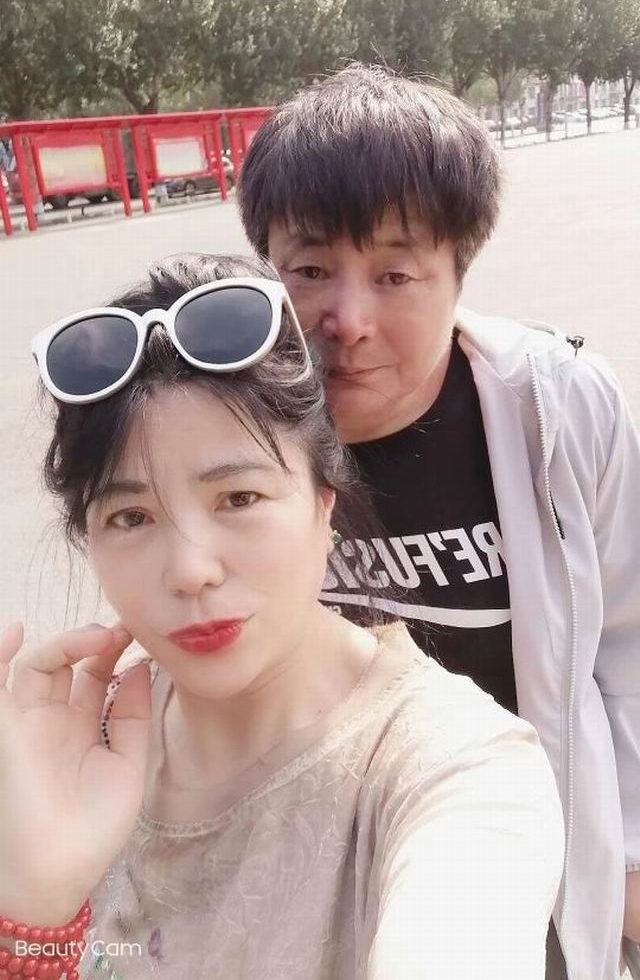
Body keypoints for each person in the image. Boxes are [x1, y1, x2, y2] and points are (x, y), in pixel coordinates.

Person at [0, 253, 563, 980]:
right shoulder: (61, 756)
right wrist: (37, 909)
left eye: (239, 498)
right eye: (131, 516)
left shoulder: (452, 767)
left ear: (325, 502)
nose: (190, 569)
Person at [238, 64, 640, 980]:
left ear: (458, 271)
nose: (346, 319)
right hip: (318, 886)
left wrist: (626, 856)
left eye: (395, 273)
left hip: (537, 878)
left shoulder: (558, 410)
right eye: (310, 270)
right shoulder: (227, 435)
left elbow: (628, 645)